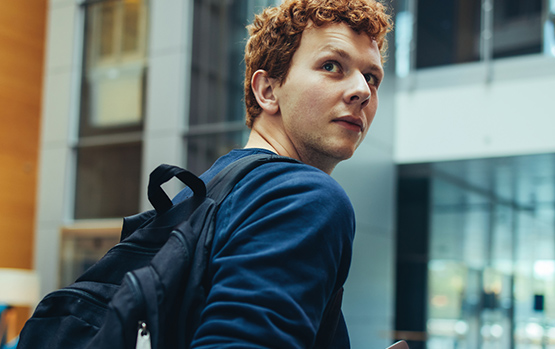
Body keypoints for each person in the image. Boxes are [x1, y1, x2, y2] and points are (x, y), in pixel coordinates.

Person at [173, 0, 392, 347]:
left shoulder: (198, 195)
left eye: (371, 77)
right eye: (332, 65)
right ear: (268, 91)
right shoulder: (304, 197)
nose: (362, 91)